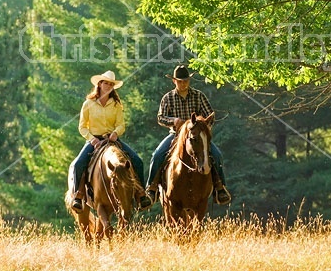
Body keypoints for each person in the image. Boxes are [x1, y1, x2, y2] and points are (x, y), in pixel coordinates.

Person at [146, 65, 232, 205]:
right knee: (157, 155)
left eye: (185, 80)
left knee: (217, 155)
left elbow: (210, 116)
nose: (183, 83)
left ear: (189, 80)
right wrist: (174, 120)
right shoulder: (168, 98)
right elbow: (160, 118)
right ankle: (152, 188)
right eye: (179, 81)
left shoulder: (198, 96)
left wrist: (201, 126)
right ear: (174, 81)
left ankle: (220, 187)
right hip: (176, 135)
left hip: (196, 137)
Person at [69, 69, 152, 213]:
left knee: (137, 160)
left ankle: (141, 194)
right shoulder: (88, 103)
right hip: (94, 140)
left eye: (110, 84)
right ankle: (78, 195)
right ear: (99, 84)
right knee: (78, 164)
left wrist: (115, 133)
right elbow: (82, 127)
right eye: (105, 83)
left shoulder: (116, 105)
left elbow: (121, 124)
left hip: (112, 140)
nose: (108, 86)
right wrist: (92, 139)